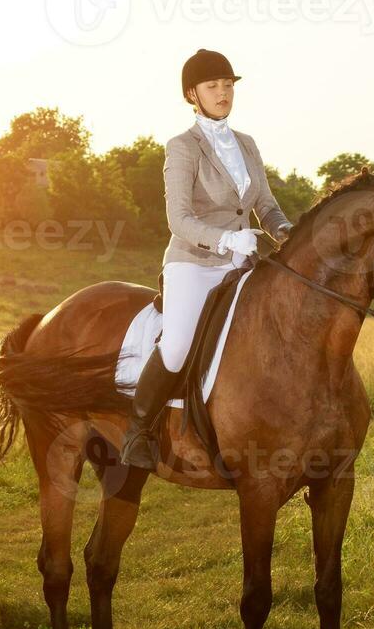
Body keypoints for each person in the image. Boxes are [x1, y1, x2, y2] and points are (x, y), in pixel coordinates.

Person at [119, 49, 294, 470]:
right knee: (178, 343)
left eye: (228, 85)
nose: (223, 93)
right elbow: (177, 219)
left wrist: (288, 233)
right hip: (193, 262)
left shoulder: (248, 145)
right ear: (191, 94)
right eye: (213, 87)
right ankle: (138, 432)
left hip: (241, 261)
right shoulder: (182, 147)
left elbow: (266, 207)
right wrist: (225, 241)